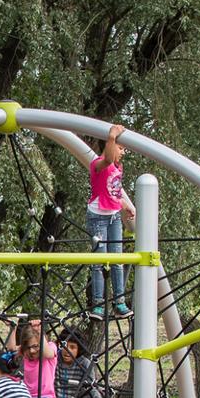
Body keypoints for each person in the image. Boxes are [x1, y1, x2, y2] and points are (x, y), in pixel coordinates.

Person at [87, 122, 138, 319]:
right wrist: (112, 136)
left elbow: (113, 191)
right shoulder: (99, 163)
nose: (122, 152)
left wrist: (126, 205)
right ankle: (98, 304)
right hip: (97, 216)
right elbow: (108, 158)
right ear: (109, 146)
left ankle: (119, 302)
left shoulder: (118, 167)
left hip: (113, 216)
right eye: (120, 147)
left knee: (117, 259)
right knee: (100, 261)